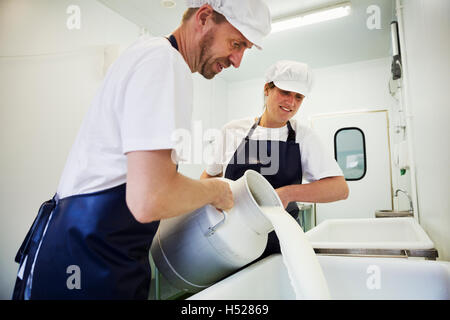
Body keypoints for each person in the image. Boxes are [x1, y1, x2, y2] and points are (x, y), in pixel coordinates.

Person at [12, 0, 271, 300]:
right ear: (203, 17)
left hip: (82, 251)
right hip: (89, 260)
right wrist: (216, 190)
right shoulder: (164, 62)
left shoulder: (149, 54)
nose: (237, 60)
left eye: (245, 49)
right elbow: (150, 198)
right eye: (236, 43)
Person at [201, 60, 349, 259]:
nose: (291, 103)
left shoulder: (303, 136)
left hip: (282, 241)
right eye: (285, 92)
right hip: (233, 237)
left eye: (299, 97)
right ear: (267, 89)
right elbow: (209, 177)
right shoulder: (232, 131)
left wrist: (287, 194)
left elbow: (339, 189)